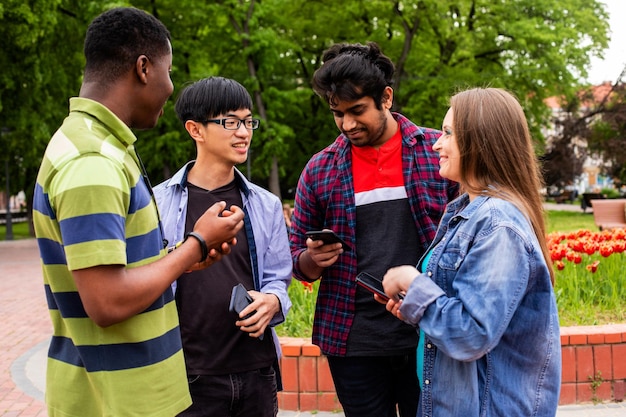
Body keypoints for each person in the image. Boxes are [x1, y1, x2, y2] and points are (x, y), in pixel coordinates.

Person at [32, 8, 244, 417]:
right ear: (143, 68)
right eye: (169, 70)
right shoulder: (92, 160)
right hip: (115, 401)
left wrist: (182, 260)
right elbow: (107, 302)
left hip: (121, 393)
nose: (170, 87)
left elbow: (117, 271)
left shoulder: (97, 146)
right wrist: (196, 245)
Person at [289, 42, 458, 417]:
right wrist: (312, 259)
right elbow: (294, 261)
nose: (348, 124)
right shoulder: (320, 170)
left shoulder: (438, 152)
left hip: (428, 332)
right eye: (338, 114)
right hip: (353, 342)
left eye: (357, 111)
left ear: (386, 97)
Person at [381, 88, 561, 416]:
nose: (436, 143)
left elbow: (472, 334)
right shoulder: (468, 211)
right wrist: (414, 304)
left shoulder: (498, 224)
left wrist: (413, 281)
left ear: (481, 141)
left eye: (448, 133)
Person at [154, 76, 292, 417]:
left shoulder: (266, 204)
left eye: (248, 122)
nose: (243, 132)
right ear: (195, 130)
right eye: (230, 122)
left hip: (256, 371)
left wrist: (273, 300)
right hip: (188, 372)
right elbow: (147, 277)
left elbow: (278, 278)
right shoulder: (157, 203)